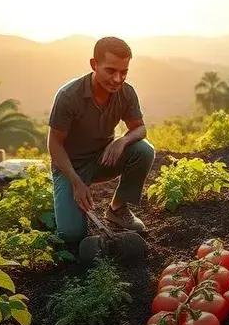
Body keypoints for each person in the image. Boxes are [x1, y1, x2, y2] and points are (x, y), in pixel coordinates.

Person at [48, 36, 155, 243]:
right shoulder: (69, 96)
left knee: (143, 150)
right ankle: (63, 202)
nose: (117, 79)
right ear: (94, 64)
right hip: (71, 167)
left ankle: (117, 209)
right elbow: (54, 144)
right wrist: (76, 182)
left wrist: (121, 141)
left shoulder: (126, 93)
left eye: (123, 72)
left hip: (103, 159)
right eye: (110, 70)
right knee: (72, 235)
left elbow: (140, 129)